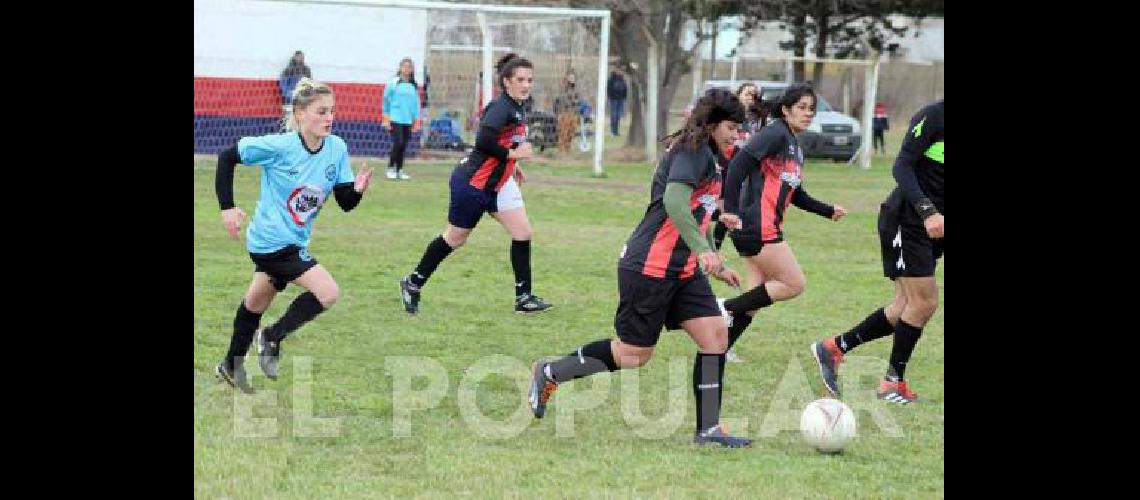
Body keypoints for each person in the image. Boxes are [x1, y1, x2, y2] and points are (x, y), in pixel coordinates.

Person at [527, 88, 753, 448]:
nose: (736, 136)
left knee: (715, 336)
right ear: (711, 124)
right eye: (731, 127)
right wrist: (702, 250)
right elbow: (675, 201)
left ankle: (708, 431)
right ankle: (551, 372)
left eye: (740, 129)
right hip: (649, 267)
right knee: (633, 355)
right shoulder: (691, 152)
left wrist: (713, 257)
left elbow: (699, 213)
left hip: (682, 271)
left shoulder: (709, 158)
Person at [214, 78, 374, 393]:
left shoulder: (336, 148)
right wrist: (227, 208)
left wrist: (357, 190)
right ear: (300, 114)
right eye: (321, 111)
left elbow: (345, 203)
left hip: (294, 240)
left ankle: (230, 365)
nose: (329, 118)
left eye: (332, 111)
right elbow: (226, 157)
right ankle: (271, 337)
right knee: (327, 292)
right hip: (270, 241)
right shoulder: (280, 146)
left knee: (255, 302)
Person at [810, 100, 943, 405]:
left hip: (934, 227)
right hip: (908, 220)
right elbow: (902, 166)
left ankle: (834, 347)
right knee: (924, 302)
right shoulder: (933, 116)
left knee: (905, 306)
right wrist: (928, 211)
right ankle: (892, 382)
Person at [398, 53, 553, 315]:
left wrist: (514, 166)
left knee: (523, 233)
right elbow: (483, 141)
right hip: (473, 184)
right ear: (506, 82)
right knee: (455, 238)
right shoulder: (500, 107)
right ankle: (412, 283)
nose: (526, 85)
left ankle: (523, 297)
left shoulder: (517, 107)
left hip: (499, 183)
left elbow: (506, 140)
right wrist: (512, 156)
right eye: (520, 80)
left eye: (530, 80)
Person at [717, 83, 847, 361]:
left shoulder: (793, 145)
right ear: (786, 109)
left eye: (811, 109)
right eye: (801, 107)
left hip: (760, 224)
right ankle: (724, 307)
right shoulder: (775, 133)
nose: (808, 113)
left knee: (755, 296)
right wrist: (728, 209)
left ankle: (719, 349)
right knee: (793, 283)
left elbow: (795, 192)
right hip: (756, 225)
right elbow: (738, 165)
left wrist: (827, 210)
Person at [383, 57, 422, 180]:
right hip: (395, 118)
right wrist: (386, 118)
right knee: (398, 143)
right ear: (400, 68)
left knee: (404, 145)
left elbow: (416, 103)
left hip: (407, 119)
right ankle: (390, 168)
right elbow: (386, 100)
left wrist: (416, 119)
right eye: (404, 66)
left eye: (409, 67)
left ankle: (399, 170)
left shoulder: (413, 85)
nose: (406, 69)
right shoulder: (394, 83)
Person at [553, 71, 581, 154]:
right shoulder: (562, 89)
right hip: (564, 113)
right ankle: (561, 151)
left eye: (573, 77)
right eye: (570, 77)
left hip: (573, 113)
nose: (571, 79)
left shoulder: (576, 89)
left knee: (571, 133)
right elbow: (558, 101)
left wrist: (576, 103)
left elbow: (578, 100)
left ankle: (568, 150)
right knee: (563, 133)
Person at [606, 63, 628, 137]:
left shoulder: (622, 79)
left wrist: (624, 96)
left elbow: (625, 88)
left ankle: (616, 131)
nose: (619, 71)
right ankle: (613, 131)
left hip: (620, 99)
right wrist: (610, 97)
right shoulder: (611, 79)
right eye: (617, 69)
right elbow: (609, 89)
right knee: (614, 115)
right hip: (614, 99)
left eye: (619, 70)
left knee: (618, 115)